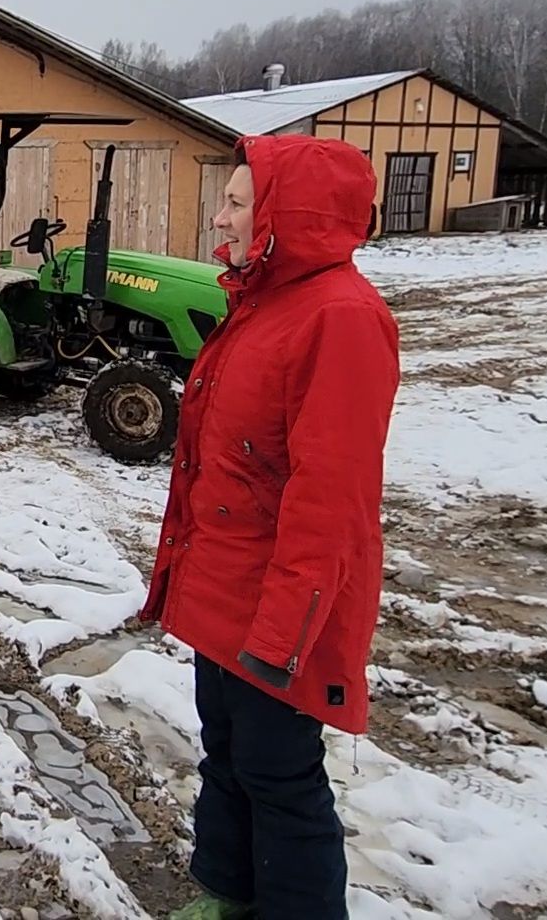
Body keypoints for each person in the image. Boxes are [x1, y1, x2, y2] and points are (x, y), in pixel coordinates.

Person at [141, 134, 401, 920]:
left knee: (282, 781)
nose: (220, 212)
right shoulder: (259, 303)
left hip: (280, 605)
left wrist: (285, 632)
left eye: (237, 200)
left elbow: (330, 499)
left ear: (289, 213)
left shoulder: (341, 319)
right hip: (224, 589)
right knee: (226, 756)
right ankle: (226, 892)